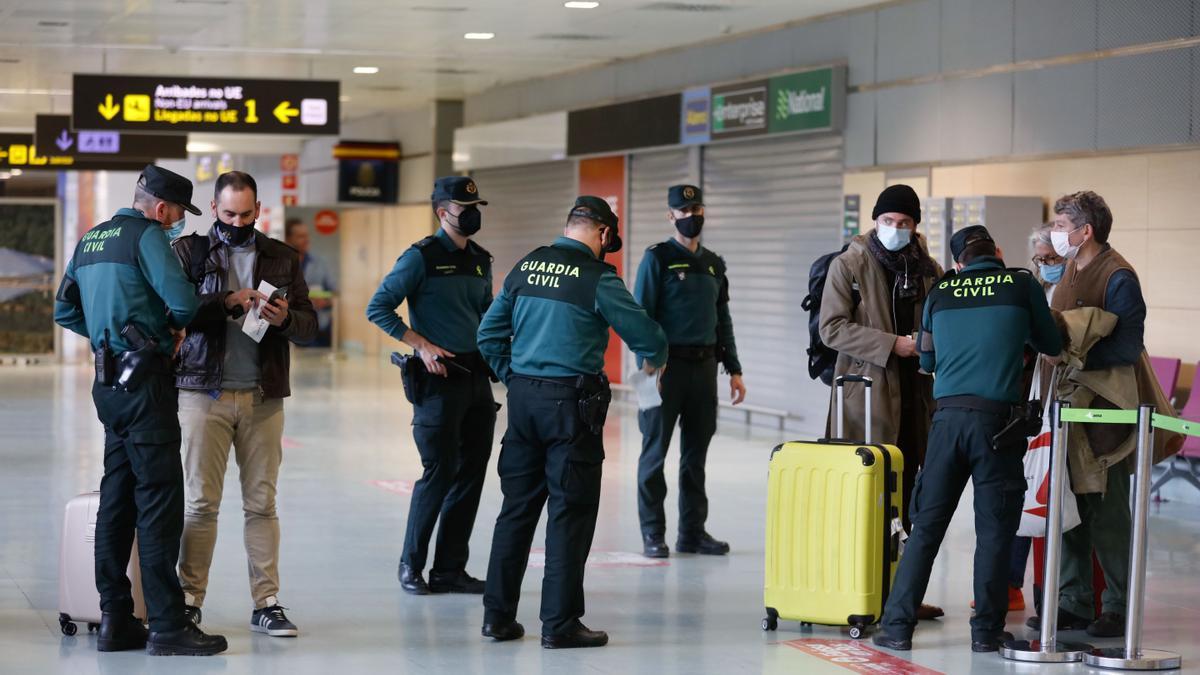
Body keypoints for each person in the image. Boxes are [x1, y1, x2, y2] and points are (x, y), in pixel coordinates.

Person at [476, 196, 668, 649]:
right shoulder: (598, 277)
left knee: (516, 511)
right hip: (571, 408)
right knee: (570, 513)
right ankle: (559, 624)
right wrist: (656, 359)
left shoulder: (525, 268)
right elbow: (647, 336)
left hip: (523, 402)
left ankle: (497, 617)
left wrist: (518, 379)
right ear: (603, 234)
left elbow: (488, 334)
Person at [53, 165, 227, 656]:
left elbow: (65, 310)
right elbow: (184, 305)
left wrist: (109, 337)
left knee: (118, 496)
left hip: (108, 384)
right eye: (176, 214)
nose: (175, 223)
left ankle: (114, 618)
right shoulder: (147, 236)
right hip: (146, 383)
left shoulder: (90, 239)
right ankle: (168, 625)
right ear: (162, 208)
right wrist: (161, 334)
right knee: (158, 502)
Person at [872, 225, 1063, 653]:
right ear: (996, 251)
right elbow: (1052, 342)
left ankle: (897, 627)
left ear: (959, 262)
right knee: (995, 530)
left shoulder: (940, 291)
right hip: (999, 425)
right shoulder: (1021, 284)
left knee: (926, 527)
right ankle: (986, 633)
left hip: (948, 422)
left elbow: (926, 359)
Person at [171, 171, 316, 637]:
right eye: (229, 213)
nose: (238, 222)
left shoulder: (282, 258)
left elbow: (310, 326)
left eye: (247, 214)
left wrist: (286, 316)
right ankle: (190, 600)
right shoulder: (188, 253)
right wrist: (225, 301)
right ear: (214, 208)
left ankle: (266, 602)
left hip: (261, 395)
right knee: (200, 504)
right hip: (201, 392)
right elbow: (173, 312)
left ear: (259, 210)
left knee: (262, 504)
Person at [818, 184, 944, 620]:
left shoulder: (929, 269)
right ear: (875, 221)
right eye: (888, 221)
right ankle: (861, 590)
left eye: (904, 223)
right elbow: (831, 328)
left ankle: (901, 594)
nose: (895, 229)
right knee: (867, 496)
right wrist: (893, 344)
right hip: (867, 394)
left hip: (917, 396)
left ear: (915, 227)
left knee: (909, 496)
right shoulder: (849, 265)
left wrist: (926, 346)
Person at [366, 176, 496, 596]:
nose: (472, 213)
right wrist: (419, 345)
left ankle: (449, 569)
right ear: (443, 212)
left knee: (471, 476)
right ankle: (411, 565)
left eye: (476, 205)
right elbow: (378, 307)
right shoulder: (420, 257)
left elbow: (486, 314)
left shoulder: (481, 259)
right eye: (463, 206)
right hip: (438, 382)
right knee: (438, 474)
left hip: (476, 378)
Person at [1027, 191, 1146, 638]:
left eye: (1060, 225)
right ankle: (1072, 600)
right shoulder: (1070, 270)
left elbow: (1128, 346)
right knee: (1067, 501)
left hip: (1105, 410)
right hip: (1065, 406)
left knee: (1107, 509)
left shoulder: (1118, 276)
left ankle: (1117, 604)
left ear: (1085, 230)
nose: (1056, 233)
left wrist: (1073, 357)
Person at [634, 184, 745, 559]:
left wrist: (733, 368)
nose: (691, 216)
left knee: (695, 459)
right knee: (654, 455)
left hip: (703, 370)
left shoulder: (714, 263)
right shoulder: (658, 258)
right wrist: (648, 367)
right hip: (665, 370)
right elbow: (640, 317)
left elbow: (722, 317)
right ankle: (653, 533)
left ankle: (692, 533)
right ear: (671, 215)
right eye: (683, 210)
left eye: (696, 208)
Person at [285, 217, 337, 346]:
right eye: (301, 236)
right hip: (294, 328)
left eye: (307, 235)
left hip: (321, 327)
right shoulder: (282, 264)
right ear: (289, 238)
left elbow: (334, 293)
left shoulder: (320, 263)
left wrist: (325, 301)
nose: (306, 240)